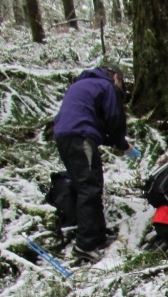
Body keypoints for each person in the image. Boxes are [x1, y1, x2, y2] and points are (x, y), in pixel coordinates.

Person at [53, 64, 140, 262]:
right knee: (89, 187)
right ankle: (85, 245)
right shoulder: (107, 85)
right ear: (116, 77)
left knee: (86, 184)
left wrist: (118, 143)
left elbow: (97, 126)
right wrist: (123, 144)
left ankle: (97, 234)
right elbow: (114, 118)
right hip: (80, 136)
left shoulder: (84, 85)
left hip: (66, 136)